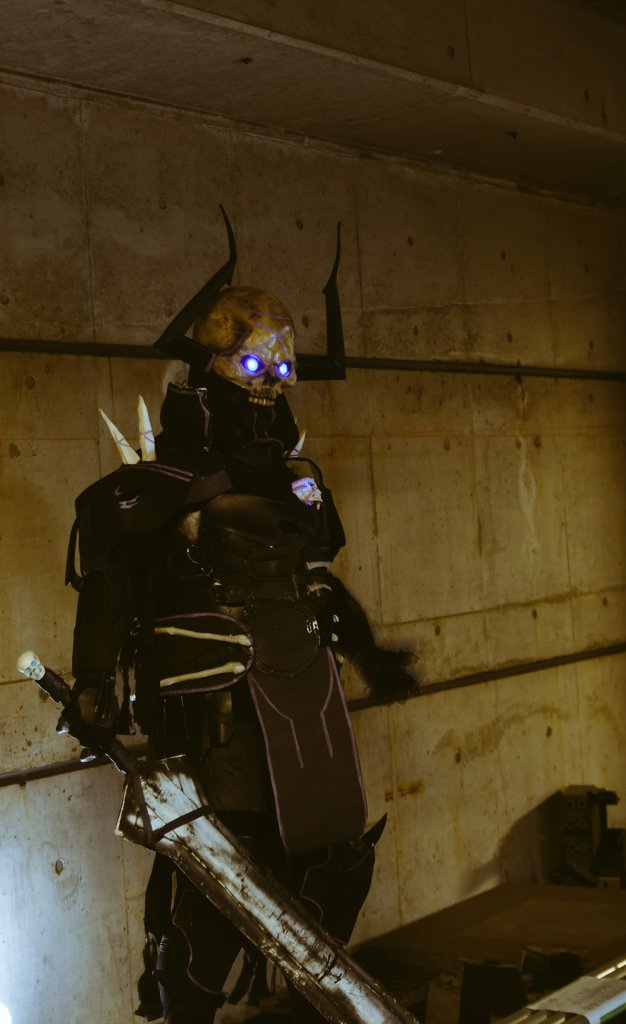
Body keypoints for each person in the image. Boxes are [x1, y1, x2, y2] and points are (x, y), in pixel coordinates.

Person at [65, 218, 416, 1023]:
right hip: (214, 703)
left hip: (305, 697)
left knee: (331, 852)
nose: (271, 383)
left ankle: (305, 994)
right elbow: (112, 583)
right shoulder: (165, 482)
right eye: (254, 362)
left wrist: (368, 653)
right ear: (212, 367)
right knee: (221, 858)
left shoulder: (296, 482)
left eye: (280, 364)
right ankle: (184, 1005)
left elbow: (315, 581)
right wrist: (92, 684)